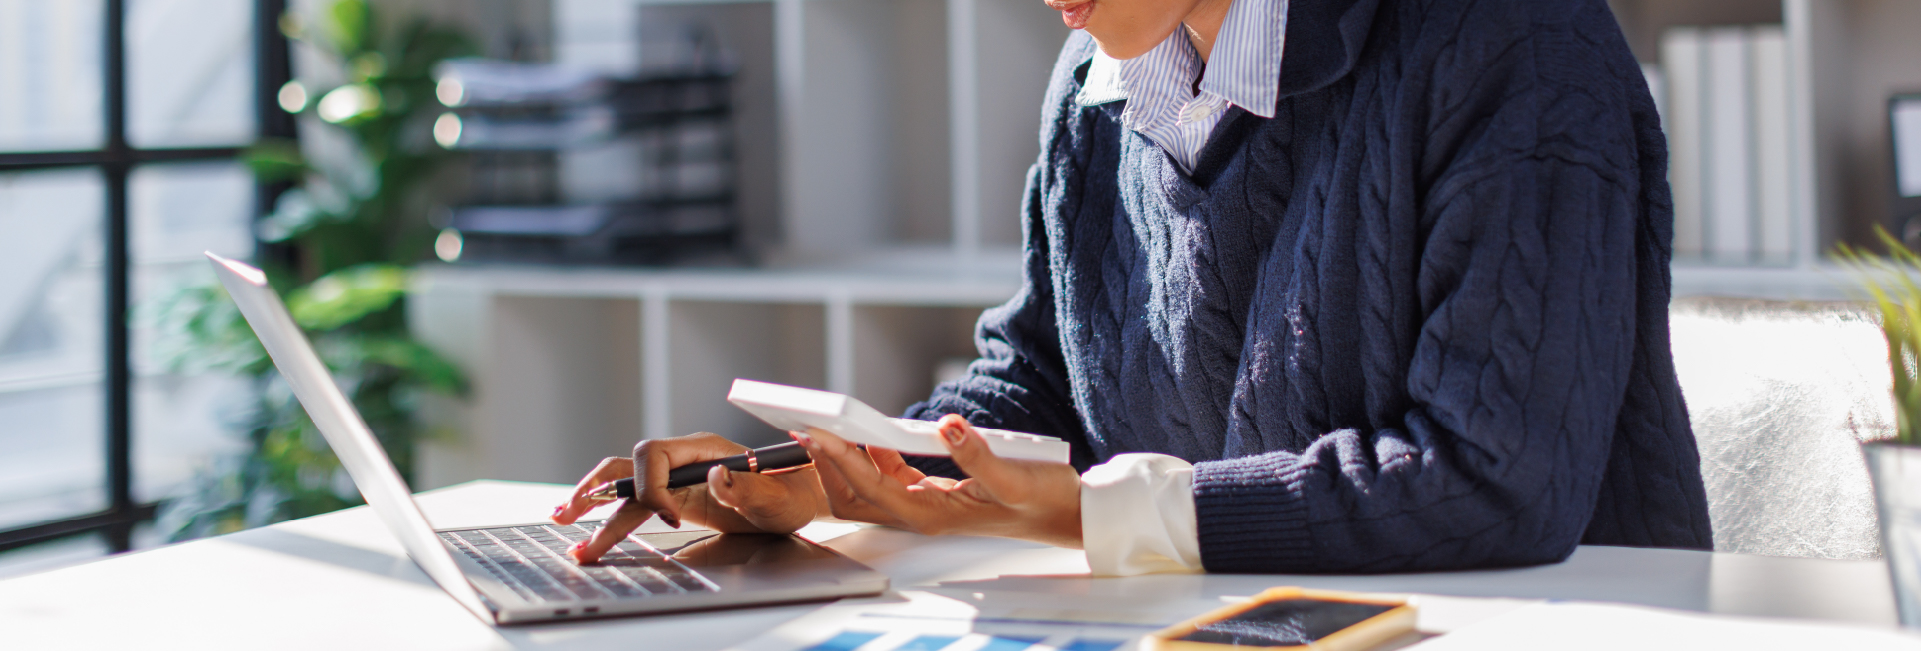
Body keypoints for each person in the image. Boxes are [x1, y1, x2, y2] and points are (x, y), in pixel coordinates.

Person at [553, 0, 1714, 575]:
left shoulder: (1514, 44)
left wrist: (1084, 512)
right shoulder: (1100, 73)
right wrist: (826, 479)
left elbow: (1496, 484)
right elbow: (1038, 387)